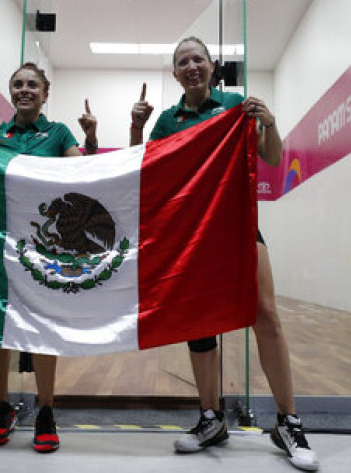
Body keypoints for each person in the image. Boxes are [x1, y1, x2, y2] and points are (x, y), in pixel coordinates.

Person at [130, 37, 319, 471]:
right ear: (175, 74)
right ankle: (211, 419)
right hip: (192, 235)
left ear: (212, 66)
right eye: (183, 62)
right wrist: (137, 128)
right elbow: (145, 171)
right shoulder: (167, 120)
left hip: (238, 226)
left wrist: (269, 122)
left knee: (265, 314)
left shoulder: (235, 106)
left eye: (198, 59)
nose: (191, 66)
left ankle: (288, 422)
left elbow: (272, 158)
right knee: (198, 324)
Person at [0, 62, 98, 453]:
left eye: (32, 85)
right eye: (18, 84)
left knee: (43, 323)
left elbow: (84, 172)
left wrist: (90, 139)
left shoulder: (58, 133)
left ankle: (46, 410)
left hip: (43, 248)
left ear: (45, 94)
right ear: (11, 91)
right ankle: (1, 408)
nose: (24, 89)